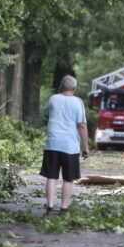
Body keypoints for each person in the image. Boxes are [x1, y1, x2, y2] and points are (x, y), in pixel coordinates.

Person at [40, 75, 89, 214]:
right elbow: (82, 125)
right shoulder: (78, 102)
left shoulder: (53, 99)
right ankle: (64, 208)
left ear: (61, 86)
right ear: (74, 88)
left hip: (53, 144)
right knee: (68, 179)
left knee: (51, 176)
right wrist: (85, 147)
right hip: (70, 146)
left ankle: (49, 206)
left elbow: (48, 114)